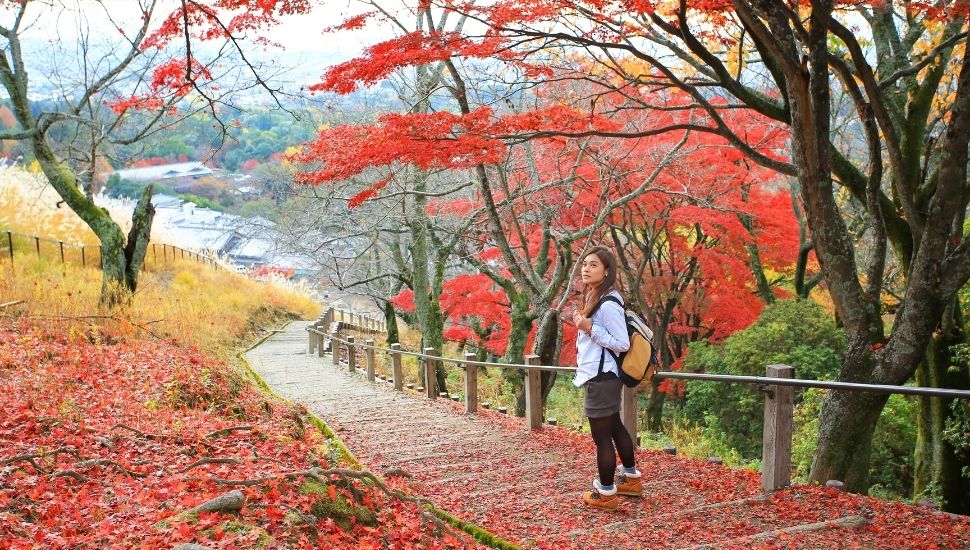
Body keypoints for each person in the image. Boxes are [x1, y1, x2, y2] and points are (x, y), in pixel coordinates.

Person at [571, 246, 641, 510]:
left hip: (602, 377)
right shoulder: (598, 296)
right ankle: (631, 479)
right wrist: (586, 323)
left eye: (593, 265)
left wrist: (590, 328)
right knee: (615, 428)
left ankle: (606, 493)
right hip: (603, 376)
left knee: (601, 438)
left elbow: (621, 343)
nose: (586, 269)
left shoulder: (608, 302)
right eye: (585, 264)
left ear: (607, 271)